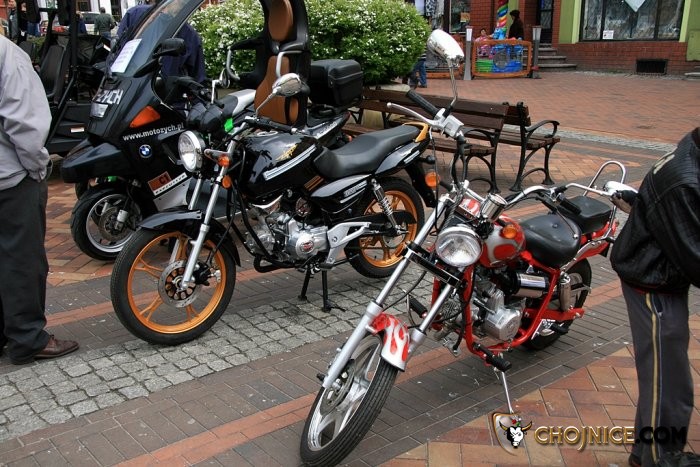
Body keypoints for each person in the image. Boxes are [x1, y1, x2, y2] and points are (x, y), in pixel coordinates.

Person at [610, 127, 700, 467]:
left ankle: (647, 453)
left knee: (668, 380)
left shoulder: (692, 148)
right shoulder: (684, 180)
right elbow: (695, 257)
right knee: (668, 385)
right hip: (653, 283)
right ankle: (657, 459)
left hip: (660, 275)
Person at [0, 33, 80, 365]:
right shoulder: (7, 56)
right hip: (10, 177)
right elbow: (25, 125)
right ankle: (27, 337)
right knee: (22, 259)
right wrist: (38, 167)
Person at [117, 0, 206, 83]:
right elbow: (117, 51)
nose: (183, 5)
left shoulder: (190, 35)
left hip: (161, 91)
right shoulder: (137, 15)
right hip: (128, 86)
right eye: (181, 2)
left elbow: (197, 78)